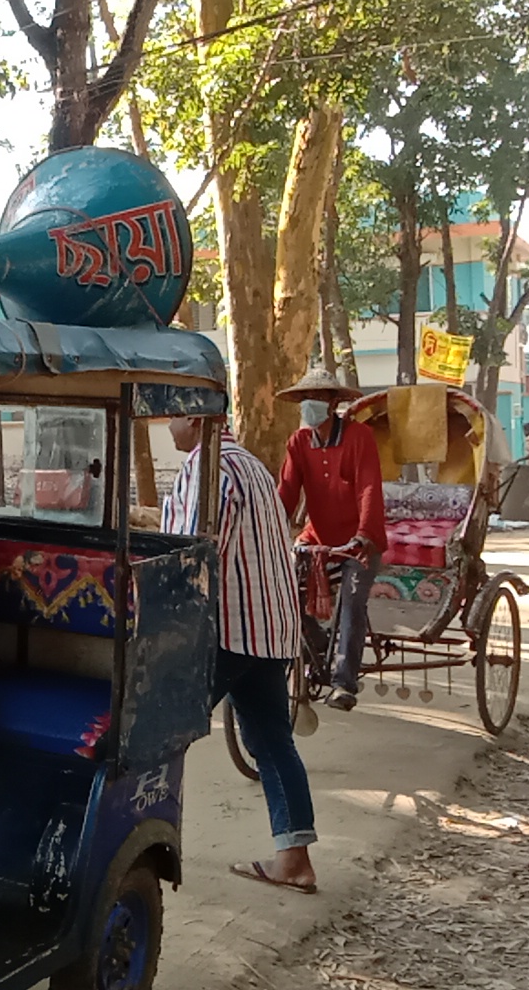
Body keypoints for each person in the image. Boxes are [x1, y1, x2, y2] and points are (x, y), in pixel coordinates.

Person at [163, 416, 319, 894]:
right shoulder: (250, 465)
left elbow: (189, 558)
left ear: (194, 416)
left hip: (228, 632)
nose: (168, 426)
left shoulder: (207, 468)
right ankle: (294, 860)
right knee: (273, 743)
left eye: (173, 415)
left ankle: (132, 846)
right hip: (270, 630)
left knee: (156, 734)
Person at [276, 369, 386, 713]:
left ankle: (343, 683)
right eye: (306, 399)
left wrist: (364, 535)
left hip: (359, 542)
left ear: (334, 402)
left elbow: (369, 488)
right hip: (318, 538)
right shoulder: (298, 442)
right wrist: (267, 528)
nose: (310, 405)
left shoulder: (359, 437)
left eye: (319, 398)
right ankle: (321, 645)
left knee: (352, 603)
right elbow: (286, 492)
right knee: (285, 594)